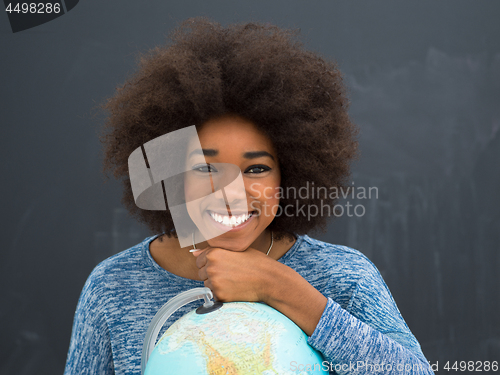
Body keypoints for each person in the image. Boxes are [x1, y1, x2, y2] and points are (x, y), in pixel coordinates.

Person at [64, 17, 433, 374]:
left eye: (256, 169)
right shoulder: (114, 286)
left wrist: (282, 289)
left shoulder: (343, 277)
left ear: (289, 175)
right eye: (206, 168)